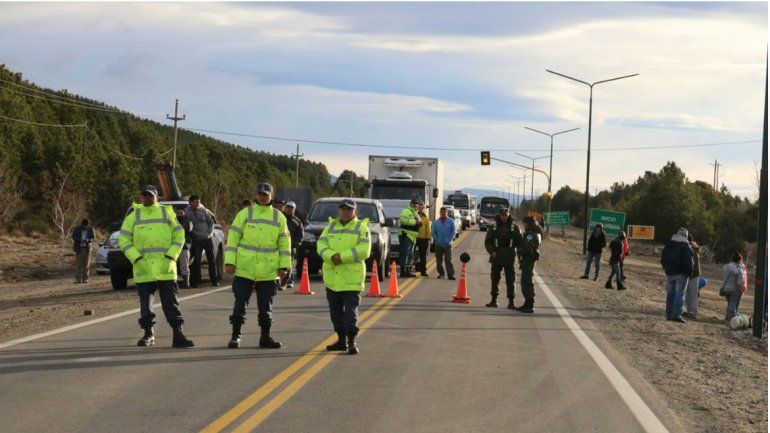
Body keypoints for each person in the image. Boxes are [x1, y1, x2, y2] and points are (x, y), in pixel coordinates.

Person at [118, 185, 194, 348]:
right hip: (143, 269)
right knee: (146, 305)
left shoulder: (167, 212)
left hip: (165, 268)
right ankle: (148, 334)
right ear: (141, 197)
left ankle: (178, 334)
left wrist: (171, 255)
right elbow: (123, 240)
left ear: (156, 197)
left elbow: (179, 235)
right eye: (144, 195)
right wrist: (136, 258)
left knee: (171, 304)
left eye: (150, 195)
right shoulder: (133, 216)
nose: (147, 198)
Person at [224, 183, 291, 349]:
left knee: (265, 306)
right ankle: (235, 336)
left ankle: (265, 337)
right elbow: (233, 239)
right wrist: (229, 261)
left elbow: (284, 244)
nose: (262, 197)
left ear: (271, 196)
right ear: (256, 195)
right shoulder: (245, 214)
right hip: (245, 268)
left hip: (268, 270)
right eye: (260, 194)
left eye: (266, 194)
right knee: (240, 304)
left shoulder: (279, 217)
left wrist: (284, 267)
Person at [317, 199, 371, 355]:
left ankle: (352, 341)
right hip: (333, 279)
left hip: (351, 279)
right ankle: (341, 340)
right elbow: (320, 246)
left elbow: (363, 250)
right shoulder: (330, 227)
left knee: (350, 313)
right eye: (343, 208)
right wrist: (331, 256)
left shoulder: (361, 228)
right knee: (335, 313)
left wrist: (342, 257)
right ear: (339, 210)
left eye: (349, 209)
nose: (346, 211)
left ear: (355, 212)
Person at [484, 206, 522, 309]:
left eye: (505, 215)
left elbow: (519, 243)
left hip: (509, 258)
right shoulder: (494, 227)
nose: (504, 217)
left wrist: (520, 257)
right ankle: (494, 300)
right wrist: (491, 252)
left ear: (509, 215)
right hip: (496, 258)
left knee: (511, 280)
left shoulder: (515, 228)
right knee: (495, 279)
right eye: (502, 215)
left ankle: (511, 302)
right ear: (499, 215)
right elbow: (488, 242)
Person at [660, 228, 694, 323]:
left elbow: (663, 257)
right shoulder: (686, 246)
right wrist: (689, 273)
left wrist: (666, 269)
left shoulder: (669, 244)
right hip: (681, 274)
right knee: (680, 294)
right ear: (686, 236)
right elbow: (689, 262)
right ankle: (675, 315)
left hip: (670, 273)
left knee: (670, 294)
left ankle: (669, 314)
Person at [185, 195, 220, 287]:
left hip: (207, 239)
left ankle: (214, 280)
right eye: (196, 202)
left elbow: (211, 222)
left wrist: (209, 232)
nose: (198, 204)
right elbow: (186, 225)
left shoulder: (204, 210)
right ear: (190, 202)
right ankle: (196, 282)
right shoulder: (187, 212)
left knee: (211, 261)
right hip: (196, 241)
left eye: (199, 202)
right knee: (196, 262)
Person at [517, 216, 542, 313]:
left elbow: (528, 249)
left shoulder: (530, 235)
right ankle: (527, 303)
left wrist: (519, 251)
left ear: (528, 224)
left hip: (528, 260)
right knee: (526, 280)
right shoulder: (534, 233)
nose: (523, 225)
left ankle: (529, 304)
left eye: (525, 223)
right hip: (528, 260)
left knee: (526, 281)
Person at [283, 201, 304, 290]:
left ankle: (289, 281)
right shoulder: (280, 218)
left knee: (288, 265)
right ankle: (279, 281)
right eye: (287, 207)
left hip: (290, 248)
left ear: (294, 209)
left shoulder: (297, 222)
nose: (289, 209)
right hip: (278, 247)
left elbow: (300, 236)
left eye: (291, 208)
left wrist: (293, 245)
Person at [398, 199, 422, 277]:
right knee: (405, 253)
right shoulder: (406, 211)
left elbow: (419, 222)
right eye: (414, 203)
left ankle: (407, 270)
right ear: (410, 204)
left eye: (417, 204)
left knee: (410, 254)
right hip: (406, 235)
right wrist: (415, 222)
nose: (416, 205)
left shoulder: (415, 213)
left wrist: (420, 223)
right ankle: (403, 271)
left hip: (412, 236)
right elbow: (403, 221)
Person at [431, 207, 457, 280]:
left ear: (446, 213)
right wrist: (436, 240)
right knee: (439, 260)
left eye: (444, 212)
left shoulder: (451, 221)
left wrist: (449, 239)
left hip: (447, 244)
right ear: (440, 213)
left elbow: (454, 231)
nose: (443, 213)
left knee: (448, 259)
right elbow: (433, 232)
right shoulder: (436, 222)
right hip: (438, 244)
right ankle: (441, 273)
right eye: (442, 212)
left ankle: (450, 275)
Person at [721, 252, 746, 322]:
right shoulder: (739, 269)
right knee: (733, 305)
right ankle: (732, 319)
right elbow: (739, 282)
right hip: (734, 290)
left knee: (729, 303)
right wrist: (741, 290)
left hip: (725, 289)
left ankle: (727, 317)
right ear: (739, 260)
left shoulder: (726, 266)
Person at [683, 234, 701, 319]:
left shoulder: (693, 249)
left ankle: (693, 312)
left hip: (693, 275)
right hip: (690, 274)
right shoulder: (691, 248)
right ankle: (689, 311)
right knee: (688, 293)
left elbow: (694, 264)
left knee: (693, 294)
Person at [72, 218, 95, 283]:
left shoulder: (91, 229)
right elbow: (73, 237)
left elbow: (93, 238)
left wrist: (88, 240)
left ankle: (85, 279)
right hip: (79, 249)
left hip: (87, 249)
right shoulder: (77, 229)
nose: (86, 227)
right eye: (85, 226)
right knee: (78, 265)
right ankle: (77, 279)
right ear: (82, 225)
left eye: (88, 225)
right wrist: (80, 240)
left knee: (86, 265)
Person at [175, 209, 193, 289]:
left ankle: (186, 283)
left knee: (185, 265)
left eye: (181, 213)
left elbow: (187, 228)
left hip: (184, 246)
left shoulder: (188, 221)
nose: (179, 215)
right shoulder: (172, 221)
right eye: (178, 213)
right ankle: (173, 283)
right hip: (174, 246)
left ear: (184, 213)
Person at [415, 202, 431, 277]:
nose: (421, 208)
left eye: (422, 207)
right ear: (417, 207)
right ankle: (407, 269)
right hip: (414, 237)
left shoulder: (425, 217)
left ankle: (423, 271)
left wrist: (428, 238)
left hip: (423, 239)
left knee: (423, 256)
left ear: (423, 208)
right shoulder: (414, 215)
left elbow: (428, 228)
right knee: (411, 254)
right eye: (419, 207)